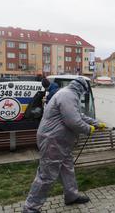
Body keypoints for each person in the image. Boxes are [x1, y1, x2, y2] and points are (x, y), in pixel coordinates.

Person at [23, 77, 106, 213]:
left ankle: (71, 196)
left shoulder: (67, 94)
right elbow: (73, 121)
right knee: (47, 175)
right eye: (84, 91)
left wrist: (96, 123)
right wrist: (87, 129)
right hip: (52, 140)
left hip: (61, 141)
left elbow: (78, 115)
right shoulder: (68, 95)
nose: (83, 94)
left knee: (67, 168)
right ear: (81, 88)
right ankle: (30, 207)